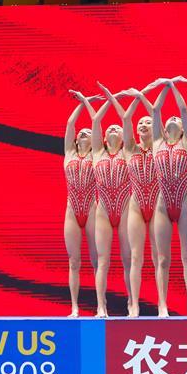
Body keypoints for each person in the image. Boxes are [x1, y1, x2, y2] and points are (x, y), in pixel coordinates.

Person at [101, 83, 159, 318]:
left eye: (148, 122)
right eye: (140, 123)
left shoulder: (160, 145)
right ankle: (133, 304)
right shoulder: (130, 149)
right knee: (136, 257)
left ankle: (161, 305)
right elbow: (126, 119)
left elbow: (155, 112)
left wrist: (142, 95)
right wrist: (130, 97)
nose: (143, 124)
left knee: (159, 258)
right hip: (136, 205)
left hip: (157, 206)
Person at [76, 88, 133, 318]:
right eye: (110, 128)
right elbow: (96, 120)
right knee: (103, 261)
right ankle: (101, 306)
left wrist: (114, 99)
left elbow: (126, 120)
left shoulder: (128, 151)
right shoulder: (97, 152)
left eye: (117, 128)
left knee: (128, 259)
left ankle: (132, 303)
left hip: (126, 208)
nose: (113, 129)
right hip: (103, 210)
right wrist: (110, 98)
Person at [151, 76, 187, 317]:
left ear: (182, 129)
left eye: (176, 120)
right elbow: (155, 110)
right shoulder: (157, 141)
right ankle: (162, 305)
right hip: (162, 206)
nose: (172, 118)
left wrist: (173, 86)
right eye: (169, 119)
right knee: (162, 259)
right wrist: (165, 85)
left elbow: (184, 110)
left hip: (185, 205)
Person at [63, 93, 99, 318]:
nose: (84, 133)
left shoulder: (97, 154)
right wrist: (82, 104)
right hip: (72, 211)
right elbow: (70, 124)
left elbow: (96, 123)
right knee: (74, 262)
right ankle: (74, 307)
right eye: (81, 133)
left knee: (97, 261)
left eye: (88, 132)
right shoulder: (69, 153)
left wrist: (88, 103)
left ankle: (100, 306)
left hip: (92, 210)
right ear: (75, 140)